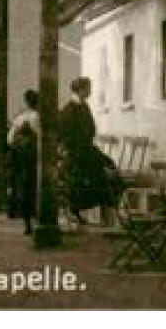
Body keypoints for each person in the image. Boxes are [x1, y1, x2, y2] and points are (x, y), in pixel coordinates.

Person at [58, 77, 122, 226]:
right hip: (77, 154)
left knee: (110, 168)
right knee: (93, 178)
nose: (90, 91)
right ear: (80, 90)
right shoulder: (69, 109)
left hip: (87, 150)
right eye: (88, 88)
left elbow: (90, 129)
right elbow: (66, 135)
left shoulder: (84, 106)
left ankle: (107, 213)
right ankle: (89, 213)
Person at [6, 89, 40, 234]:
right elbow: (41, 137)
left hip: (20, 158)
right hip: (34, 158)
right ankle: (37, 219)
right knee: (35, 188)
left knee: (22, 188)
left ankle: (26, 222)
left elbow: (9, 140)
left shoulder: (19, 117)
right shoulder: (37, 117)